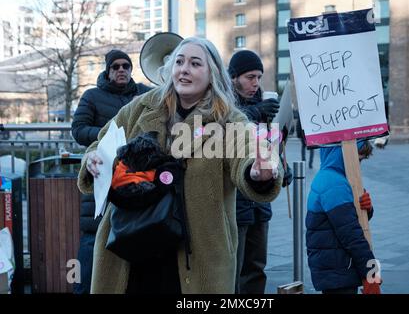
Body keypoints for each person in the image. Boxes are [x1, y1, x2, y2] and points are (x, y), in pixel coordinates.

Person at [77, 37, 284, 294]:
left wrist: (257, 172)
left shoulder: (229, 119)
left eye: (195, 63)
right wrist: (93, 160)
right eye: (179, 62)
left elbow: (249, 151)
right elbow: (99, 144)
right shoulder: (140, 107)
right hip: (130, 250)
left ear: (213, 74)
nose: (184, 69)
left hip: (193, 260)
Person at [71, 49, 150, 294]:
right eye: (115, 66)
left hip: (137, 180)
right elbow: (79, 130)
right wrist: (109, 139)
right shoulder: (92, 96)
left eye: (126, 66)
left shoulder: (145, 94)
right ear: (108, 71)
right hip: (101, 178)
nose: (121, 70)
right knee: (92, 245)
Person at [228, 49, 292, 294]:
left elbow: (271, 146)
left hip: (259, 202)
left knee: (256, 266)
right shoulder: (223, 102)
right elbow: (219, 130)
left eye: (258, 77)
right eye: (250, 77)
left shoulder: (263, 105)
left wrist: (281, 169)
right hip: (235, 202)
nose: (255, 83)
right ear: (234, 77)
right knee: (233, 267)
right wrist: (254, 114)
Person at [306, 140, 381, 294]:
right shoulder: (335, 184)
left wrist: (367, 210)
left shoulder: (332, 176)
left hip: (334, 267)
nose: (358, 165)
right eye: (357, 159)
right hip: (339, 270)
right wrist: (371, 274)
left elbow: (348, 221)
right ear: (342, 154)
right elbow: (352, 235)